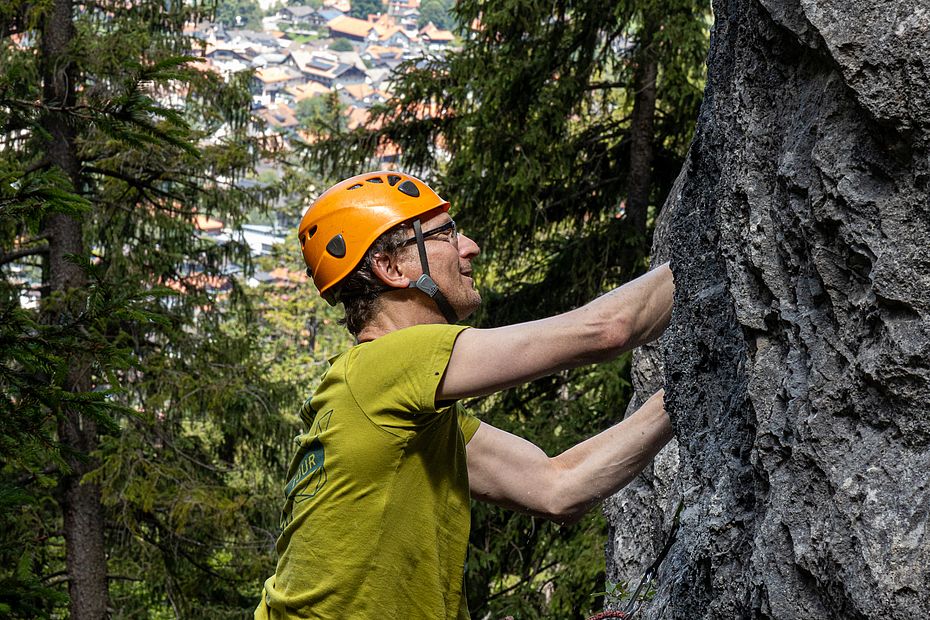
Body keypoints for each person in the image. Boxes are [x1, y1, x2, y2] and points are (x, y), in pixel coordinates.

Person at [256, 171, 675, 619]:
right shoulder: (386, 364)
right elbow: (606, 330)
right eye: (446, 234)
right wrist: (707, 248)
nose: (469, 246)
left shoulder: (405, 418)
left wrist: (684, 390)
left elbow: (558, 487)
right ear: (391, 267)